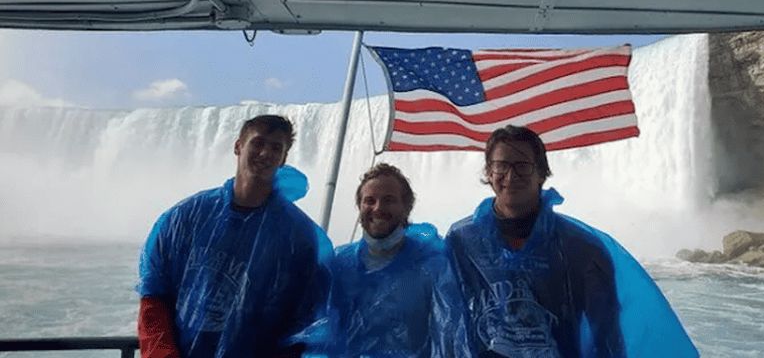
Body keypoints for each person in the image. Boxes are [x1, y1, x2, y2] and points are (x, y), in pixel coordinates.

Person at [446, 125, 698, 358]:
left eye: (522, 166)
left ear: (541, 173)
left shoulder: (580, 247)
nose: (510, 176)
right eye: (501, 166)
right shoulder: (462, 241)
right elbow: (445, 320)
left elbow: (608, 338)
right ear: (489, 172)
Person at [136, 114, 331, 358]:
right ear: (238, 146)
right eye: (258, 143)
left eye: (276, 148)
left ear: (283, 159)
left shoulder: (297, 235)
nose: (265, 153)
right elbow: (154, 297)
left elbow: (304, 321)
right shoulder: (186, 217)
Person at [321, 162, 469, 357]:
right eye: (369, 200)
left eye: (388, 200)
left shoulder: (431, 266)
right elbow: (321, 332)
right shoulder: (340, 264)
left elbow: (450, 338)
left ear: (407, 207)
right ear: (359, 206)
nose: (378, 208)